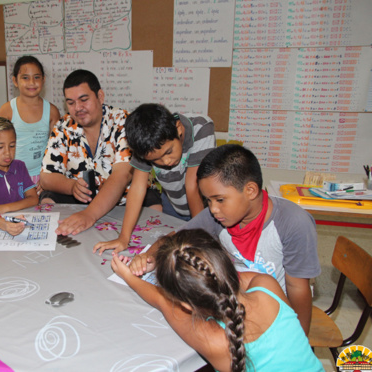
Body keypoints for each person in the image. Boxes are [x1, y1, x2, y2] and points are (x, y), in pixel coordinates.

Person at [129, 144, 320, 334]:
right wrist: (150, 257)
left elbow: (297, 287)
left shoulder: (293, 223)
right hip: (235, 304)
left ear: (251, 190)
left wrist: (299, 335)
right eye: (208, 200)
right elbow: (174, 238)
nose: (213, 209)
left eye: (219, 200)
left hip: (276, 313)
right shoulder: (218, 216)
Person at [111, 229, 323, 372]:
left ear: (186, 305)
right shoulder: (267, 285)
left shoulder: (215, 341)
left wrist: (129, 276)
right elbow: (234, 281)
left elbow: (162, 300)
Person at [40, 69, 161, 236]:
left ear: (100, 96)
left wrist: (89, 215)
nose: (78, 108)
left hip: (125, 196)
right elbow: (46, 177)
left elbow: (122, 176)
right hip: (82, 196)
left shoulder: (124, 122)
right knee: (47, 197)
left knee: (152, 201)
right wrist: (72, 186)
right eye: (71, 102)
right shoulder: (62, 126)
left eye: (84, 100)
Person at [94, 103, 215, 255]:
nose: (166, 162)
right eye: (156, 160)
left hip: (203, 209)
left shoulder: (201, 128)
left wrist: (201, 235)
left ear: (178, 129)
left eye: (168, 152)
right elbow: (137, 188)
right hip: (172, 205)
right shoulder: (144, 144)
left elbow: (192, 187)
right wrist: (123, 238)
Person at [0, 55, 60, 186]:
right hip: (12, 176)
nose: (32, 82)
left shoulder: (52, 111)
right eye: (25, 78)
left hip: (42, 177)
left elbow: (57, 150)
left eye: (36, 77)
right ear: (15, 81)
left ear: (43, 80)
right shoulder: (7, 110)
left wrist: (49, 179)